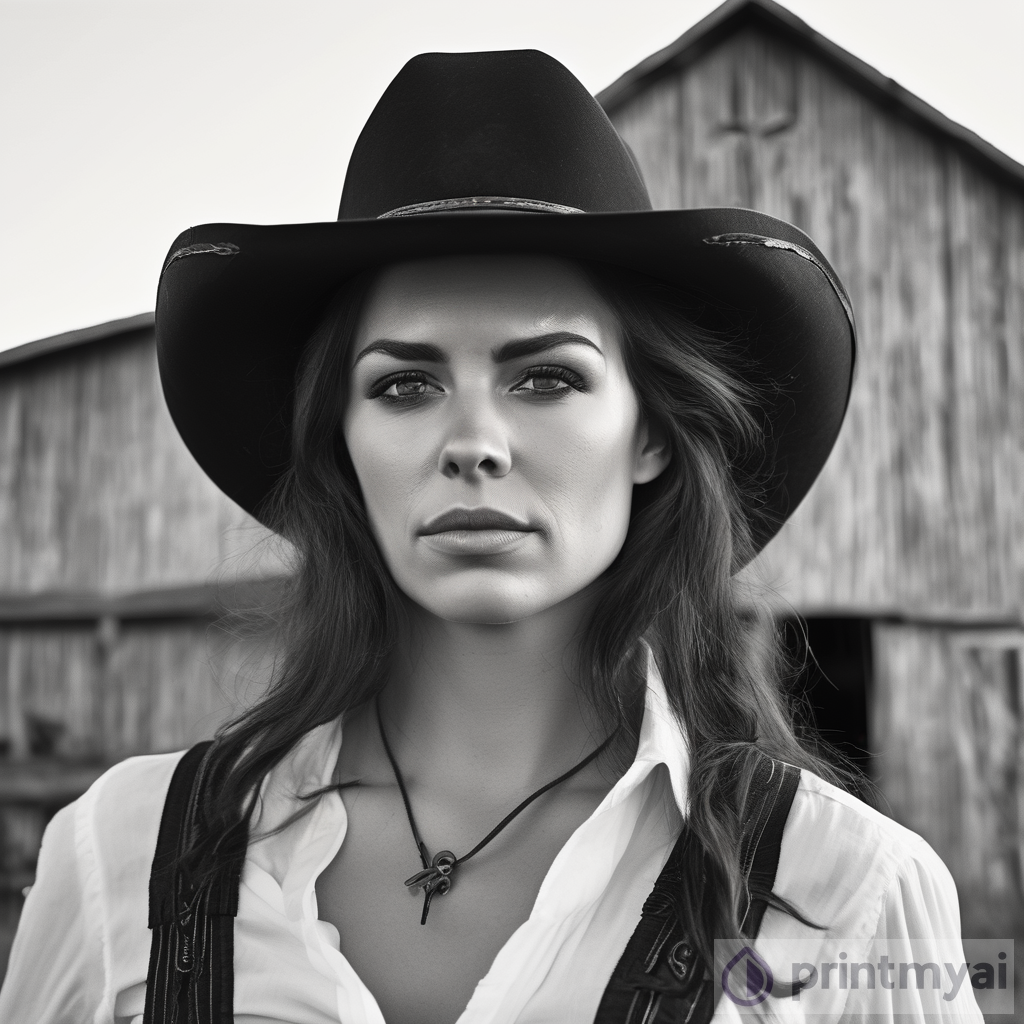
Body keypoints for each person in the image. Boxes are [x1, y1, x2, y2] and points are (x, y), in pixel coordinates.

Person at [0, 49, 981, 1024]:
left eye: (546, 376)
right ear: (342, 442)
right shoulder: (120, 854)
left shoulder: (850, 891)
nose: (471, 443)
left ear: (648, 433)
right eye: (403, 384)